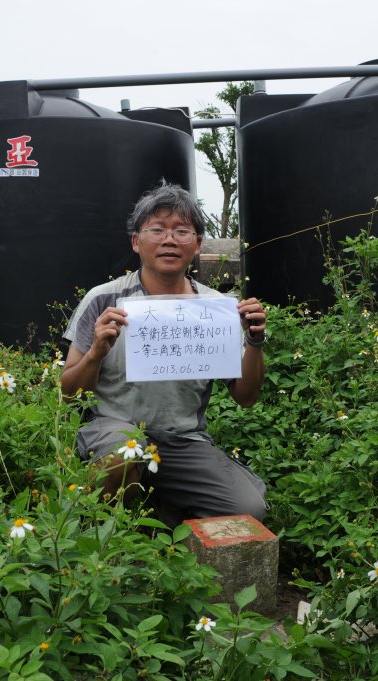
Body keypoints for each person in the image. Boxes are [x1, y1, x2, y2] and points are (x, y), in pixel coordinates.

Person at [60, 182, 268, 525]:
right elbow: (66, 395)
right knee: (121, 458)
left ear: (197, 244)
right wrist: (96, 353)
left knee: (248, 509)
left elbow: (246, 398)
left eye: (182, 231)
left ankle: (159, 512)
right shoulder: (104, 300)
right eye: (156, 230)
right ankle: (109, 530)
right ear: (136, 241)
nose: (169, 240)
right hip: (116, 430)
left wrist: (255, 341)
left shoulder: (216, 310)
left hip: (183, 440)